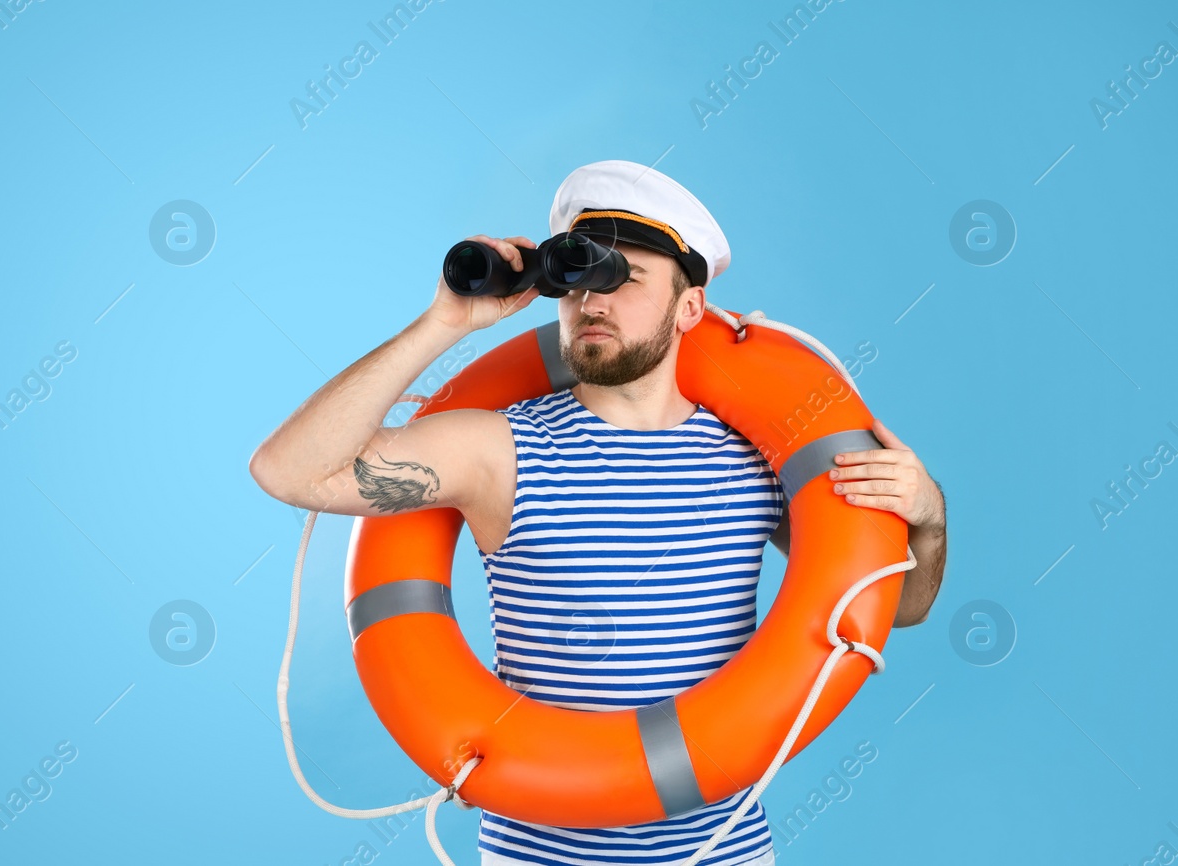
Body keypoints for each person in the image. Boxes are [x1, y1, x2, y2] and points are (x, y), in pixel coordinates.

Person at [249, 160, 948, 866]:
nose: (592, 300)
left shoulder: (754, 461)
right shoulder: (500, 452)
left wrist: (929, 516)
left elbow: (902, 606)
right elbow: (290, 470)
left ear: (690, 308)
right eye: (576, 280)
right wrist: (445, 322)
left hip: (725, 854)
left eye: (623, 277)